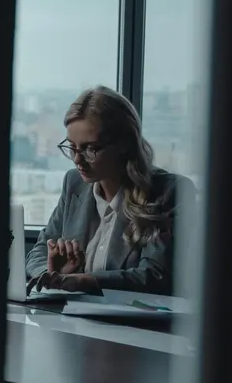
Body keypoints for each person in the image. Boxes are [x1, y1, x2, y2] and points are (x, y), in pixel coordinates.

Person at [25, 86, 193, 296]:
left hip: (137, 326)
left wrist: (84, 281)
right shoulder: (74, 183)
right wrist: (53, 277)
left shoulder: (168, 191)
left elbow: (155, 276)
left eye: (90, 149)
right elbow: (38, 252)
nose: (77, 159)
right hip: (76, 322)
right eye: (72, 147)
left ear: (124, 144)